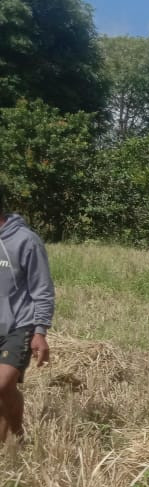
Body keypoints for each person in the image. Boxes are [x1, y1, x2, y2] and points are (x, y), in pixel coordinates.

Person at [0, 189, 55, 445]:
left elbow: (42, 289)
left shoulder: (26, 241)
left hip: (18, 326)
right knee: (4, 391)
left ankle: (17, 432)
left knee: (1, 385)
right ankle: (11, 444)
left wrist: (40, 331)